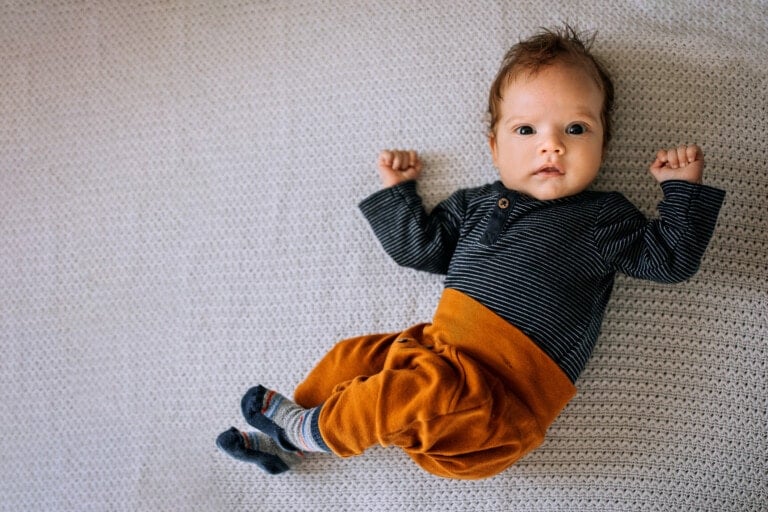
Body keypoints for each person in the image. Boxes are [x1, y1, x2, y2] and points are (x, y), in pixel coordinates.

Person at [216, 26, 725, 479]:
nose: (552, 146)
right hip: (435, 353)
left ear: (605, 145)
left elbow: (670, 261)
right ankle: (291, 439)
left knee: (410, 392)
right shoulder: (476, 205)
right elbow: (420, 249)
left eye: (576, 129)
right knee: (354, 356)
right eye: (526, 130)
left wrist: (682, 192)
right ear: (494, 147)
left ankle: (309, 432)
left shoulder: (604, 217)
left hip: (497, 407)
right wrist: (399, 193)